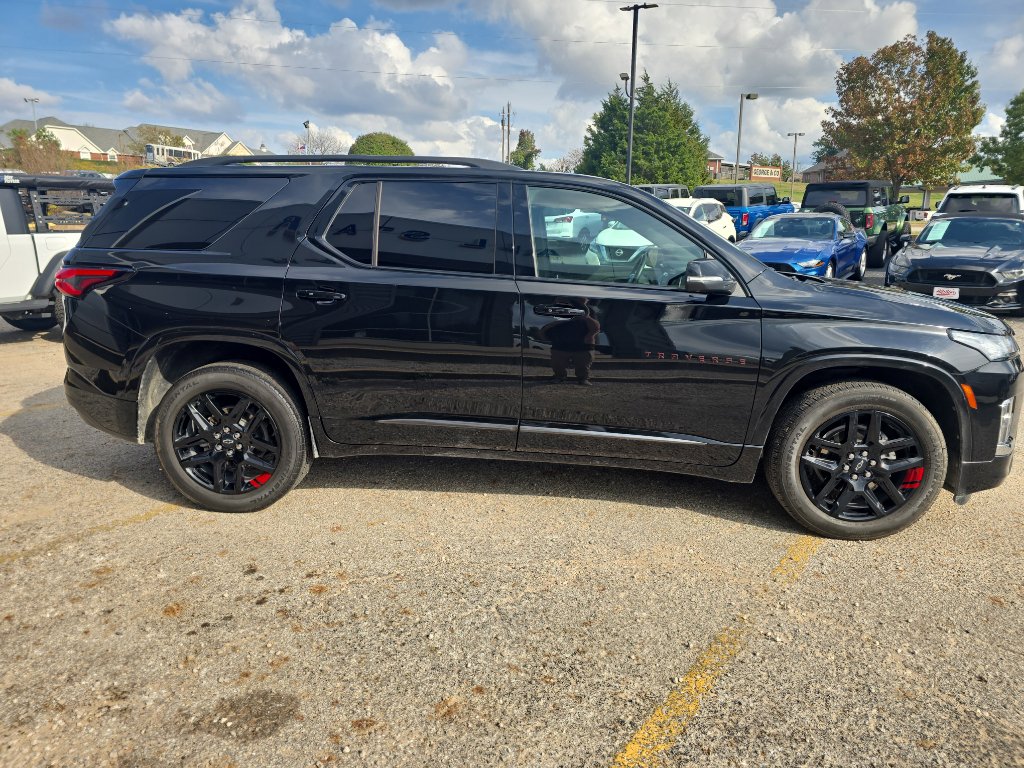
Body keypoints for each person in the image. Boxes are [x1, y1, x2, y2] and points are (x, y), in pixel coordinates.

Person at [539, 298, 600, 385]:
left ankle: (583, 379)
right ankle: (559, 377)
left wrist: (585, 316)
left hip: (582, 345)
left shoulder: (587, 310)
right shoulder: (553, 310)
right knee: (557, 364)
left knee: (583, 365)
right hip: (559, 344)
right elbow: (544, 327)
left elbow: (596, 327)